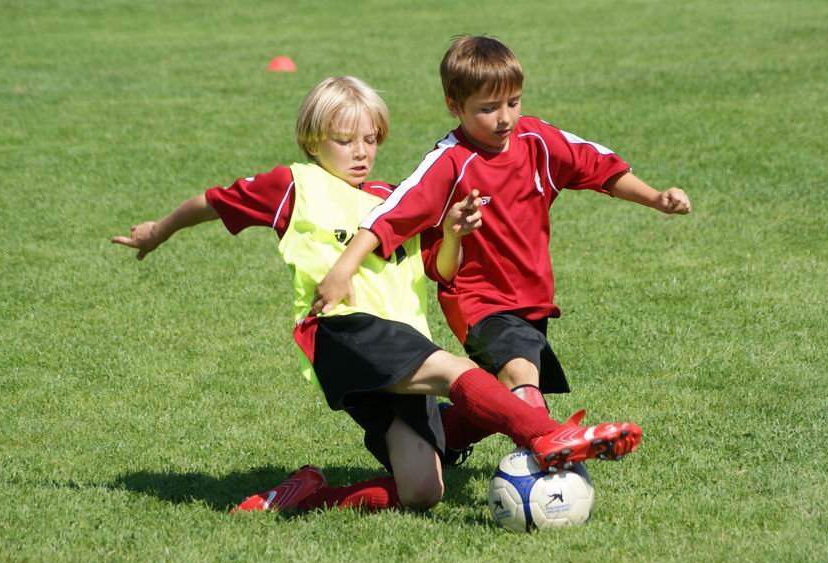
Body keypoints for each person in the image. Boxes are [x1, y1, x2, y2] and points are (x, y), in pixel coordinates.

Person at [112, 76, 642, 514]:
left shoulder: (397, 199)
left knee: (423, 492)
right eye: (345, 141)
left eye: (370, 139)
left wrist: (454, 232)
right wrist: (158, 230)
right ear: (313, 140)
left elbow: (444, 270)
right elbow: (210, 201)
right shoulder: (294, 185)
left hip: (402, 347)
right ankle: (545, 435)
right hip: (342, 331)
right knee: (458, 371)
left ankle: (307, 496)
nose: (361, 152)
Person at [313, 36, 689, 465]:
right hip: (478, 301)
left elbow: (598, 166)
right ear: (455, 105)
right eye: (487, 109)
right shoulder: (449, 162)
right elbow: (391, 214)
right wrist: (343, 268)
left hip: (532, 300)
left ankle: (447, 435)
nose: (505, 118)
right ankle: (552, 458)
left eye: (513, 102)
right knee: (521, 377)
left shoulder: (538, 142)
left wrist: (657, 198)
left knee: (499, 398)